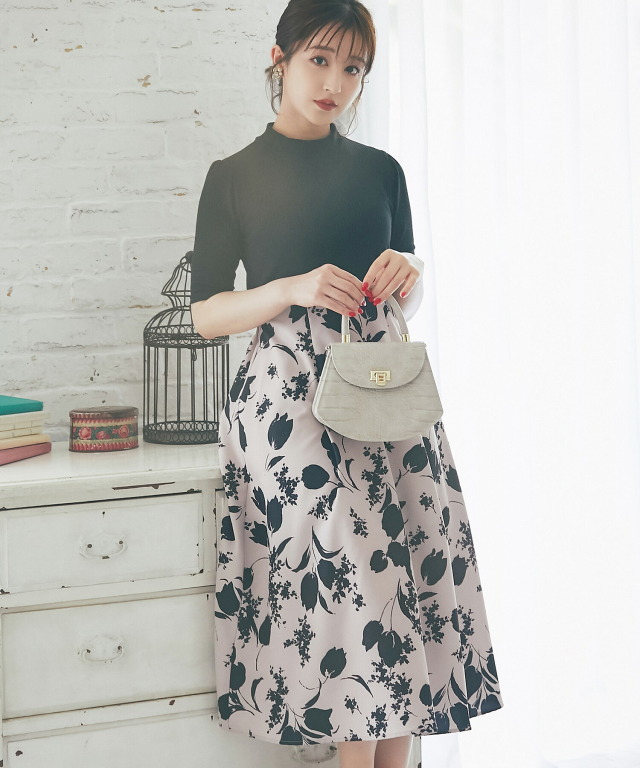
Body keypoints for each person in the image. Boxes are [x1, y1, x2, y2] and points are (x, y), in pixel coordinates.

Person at [190, 2, 504, 766]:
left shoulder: (380, 171)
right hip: (286, 391)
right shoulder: (233, 177)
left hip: (383, 376)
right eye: (320, 60)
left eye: (353, 67)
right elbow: (204, 314)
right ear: (280, 58)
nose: (335, 81)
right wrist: (288, 288)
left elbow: (401, 293)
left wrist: (408, 274)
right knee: (351, 572)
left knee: (414, 568)